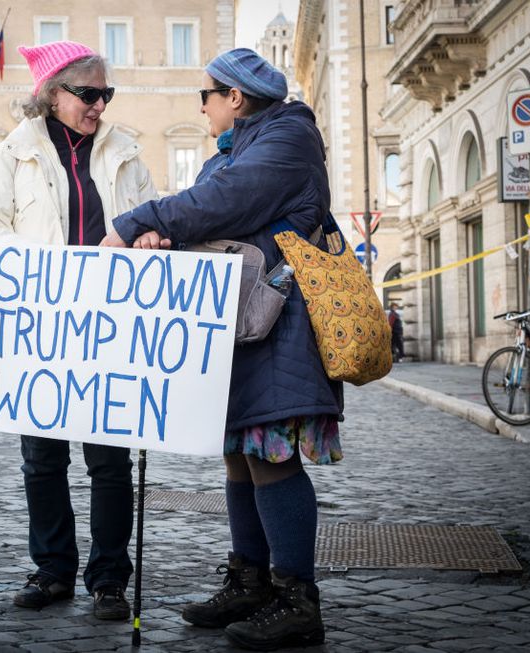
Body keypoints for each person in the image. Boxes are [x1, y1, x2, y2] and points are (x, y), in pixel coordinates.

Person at [101, 49, 342, 650]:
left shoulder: (287, 139)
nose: (202, 107)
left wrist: (134, 223)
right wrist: (158, 236)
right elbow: (206, 219)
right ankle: (250, 582)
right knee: (239, 453)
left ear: (234, 97)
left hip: (280, 323)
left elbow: (223, 203)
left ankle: (296, 600)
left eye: (205, 95)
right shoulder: (233, 150)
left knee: (271, 454)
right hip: (238, 325)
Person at [0, 40, 157, 620]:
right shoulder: (12, 153)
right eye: (88, 93)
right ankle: (52, 571)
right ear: (51, 94)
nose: (100, 104)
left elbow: (151, 219)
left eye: (106, 93)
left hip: (109, 326)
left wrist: (152, 235)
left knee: (110, 463)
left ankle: (109, 578)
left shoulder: (126, 153)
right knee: (43, 460)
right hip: (42, 325)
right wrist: (39, 270)